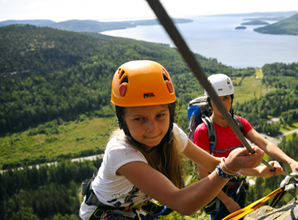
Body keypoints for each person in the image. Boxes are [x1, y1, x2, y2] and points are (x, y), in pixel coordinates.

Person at [79, 60, 271, 220]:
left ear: (170, 113)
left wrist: (255, 169)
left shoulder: (171, 133)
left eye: (160, 115)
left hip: (133, 212)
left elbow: (213, 164)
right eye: (139, 119)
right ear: (122, 120)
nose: (152, 128)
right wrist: (228, 167)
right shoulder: (121, 153)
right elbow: (183, 204)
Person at [192, 73, 298, 220]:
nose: (222, 103)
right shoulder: (203, 131)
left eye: (226, 98)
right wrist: (227, 201)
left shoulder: (239, 124)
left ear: (231, 99)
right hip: (219, 196)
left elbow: (265, 144)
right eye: (216, 99)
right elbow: (203, 175)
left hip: (238, 189)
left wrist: (291, 162)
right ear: (209, 102)